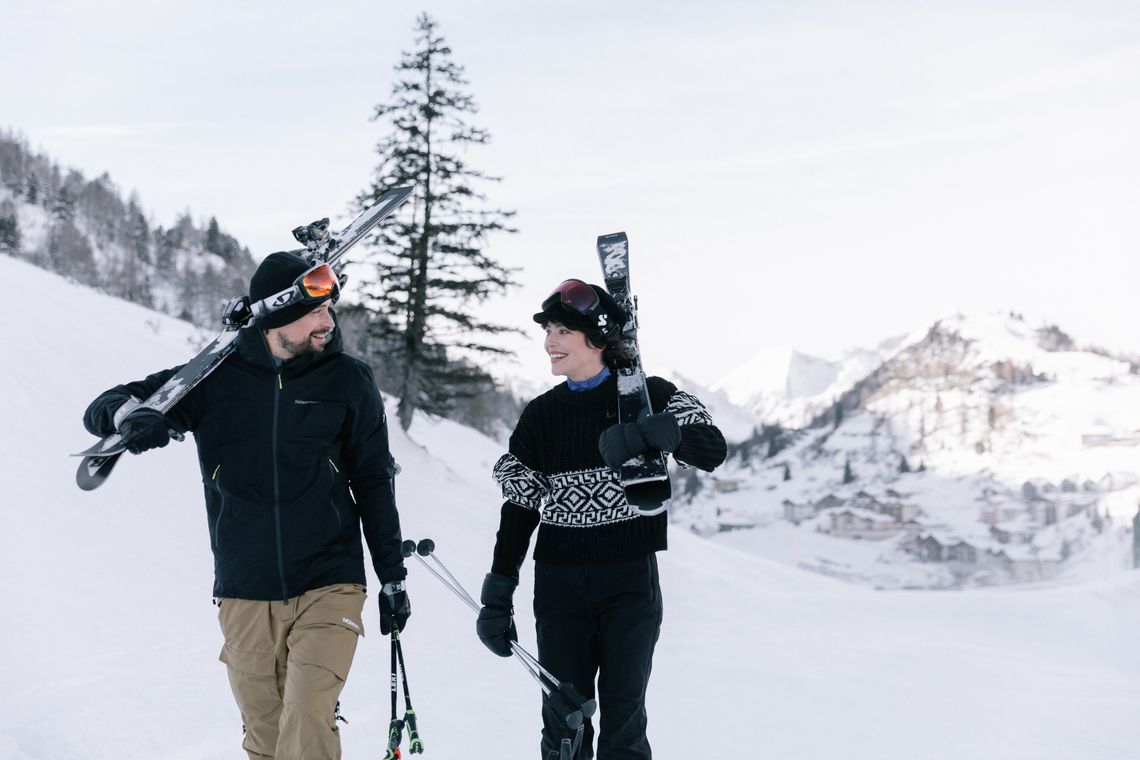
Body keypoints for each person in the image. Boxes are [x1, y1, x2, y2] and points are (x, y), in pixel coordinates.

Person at [82, 251, 410, 760]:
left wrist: (392, 574)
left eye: (331, 310)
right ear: (277, 318)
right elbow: (104, 406)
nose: (329, 322)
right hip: (244, 589)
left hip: (330, 580)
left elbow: (373, 479)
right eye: (316, 313)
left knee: (307, 718)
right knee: (265, 736)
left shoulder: (348, 380)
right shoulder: (215, 379)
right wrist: (133, 418)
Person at [475, 278, 727, 759]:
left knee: (623, 720)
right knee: (563, 722)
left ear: (599, 338)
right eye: (548, 330)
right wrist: (498, 591)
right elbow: (520, 507)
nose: (550, 342)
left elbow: (713, 450)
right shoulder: (541, 415)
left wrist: (666, 432)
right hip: (559, 587)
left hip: (629, 582)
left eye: (563, 331)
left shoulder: (650, 394)